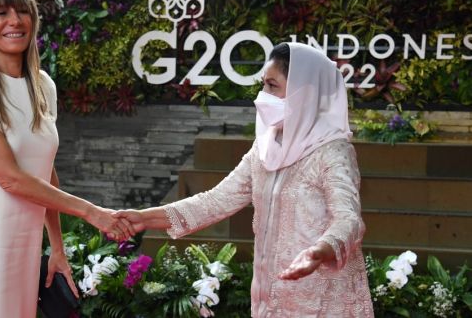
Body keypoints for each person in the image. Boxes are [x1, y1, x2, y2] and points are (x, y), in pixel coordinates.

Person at [118, 42, 374, 317]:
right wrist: (143, 219)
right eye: (262, 85)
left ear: (304, 93)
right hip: (268, 302)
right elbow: (215, 201)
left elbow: (348, 220)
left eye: (272, 85)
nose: (262, 95)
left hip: (323, 304)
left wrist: (318, 252)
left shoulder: (332, 151)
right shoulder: (264, 149)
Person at [0, 0, 133, 317]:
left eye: (22, 10)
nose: (15, 21)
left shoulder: (43, 85)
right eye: (1, 12)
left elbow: (44, 170)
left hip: (24, 245)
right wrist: (93, 212)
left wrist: (56, 247)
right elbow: (11, 178)